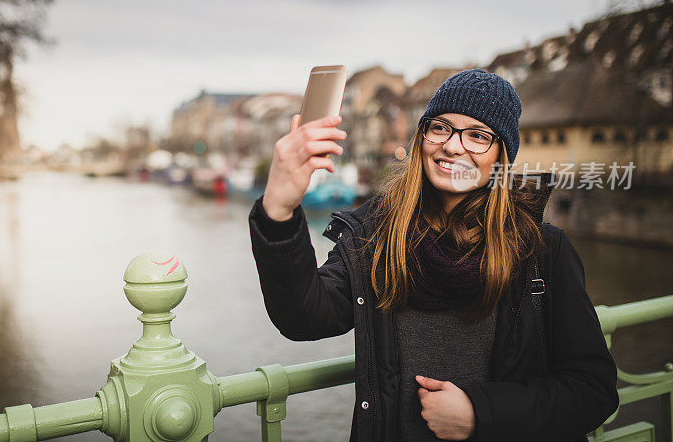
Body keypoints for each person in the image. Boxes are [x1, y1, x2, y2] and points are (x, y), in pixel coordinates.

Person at [248, 69, 618, 442]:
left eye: (477, 136)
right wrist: (278, 211)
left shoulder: (541, 251)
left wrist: (480, 413)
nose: (453, 146)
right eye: (440, 128)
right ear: (422, 136)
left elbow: (592, 390)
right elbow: (304, 318)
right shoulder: (376, 236)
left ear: (500, 157)